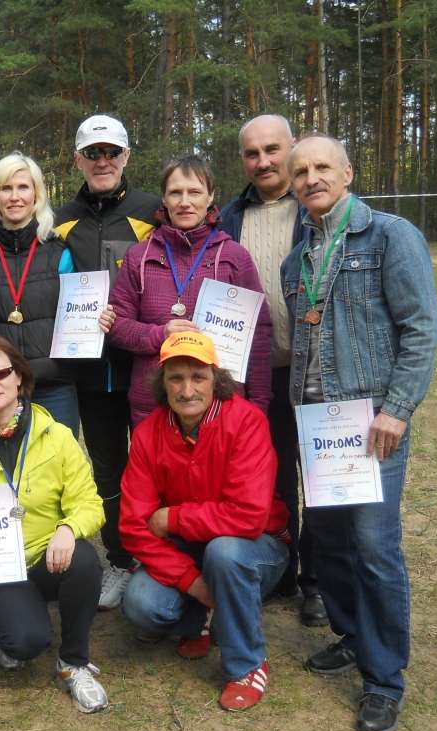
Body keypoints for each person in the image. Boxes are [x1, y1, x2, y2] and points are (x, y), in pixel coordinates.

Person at [283, 135, 437, 731]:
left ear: (347, 172)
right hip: (319, 424)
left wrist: (397, 408)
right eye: (301, 171)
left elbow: (421, 328)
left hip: (372, 421)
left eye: (322, 166)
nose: (310, 177)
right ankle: (351, 635)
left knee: (375, 548)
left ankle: (383, 679)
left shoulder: (389, 237)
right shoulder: (297, 257)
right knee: (330, 541)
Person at [0, 336, 109, 714]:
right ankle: (10, 629)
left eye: (0, 373)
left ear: (19, 378)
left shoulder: (58, 436)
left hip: (47, 556)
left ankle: (73, 664)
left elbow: (89, 504)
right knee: (26, 643)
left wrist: (68, 529)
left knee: (84, 560)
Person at [118, 331, 290, 711]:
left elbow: (248, 516)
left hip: (254, 547)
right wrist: (196, 586)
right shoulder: (149, 434)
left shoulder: (246, 421)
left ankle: (246, 665)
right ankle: (202, 613)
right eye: (175, 378)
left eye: (199, 377)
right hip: (192, 551)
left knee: (225, 552)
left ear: (217, 379)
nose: (187, 389)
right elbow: (134, 525)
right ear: (162, 385)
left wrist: (174, 517)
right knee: (143, 606)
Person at [220, 114, 325, 627]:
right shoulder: (229, 218)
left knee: (323, 480)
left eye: (272, 150)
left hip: (319, 370)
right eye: (252, 153)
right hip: (257, 371)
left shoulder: (317, 210)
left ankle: (318, 583)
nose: (263, 161)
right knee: (276, 478)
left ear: (291, 150)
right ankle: (284, 570)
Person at [54, 115, 160, 610]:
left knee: (157, 466)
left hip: (146, 365)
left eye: (111, 152)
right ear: (77, 159)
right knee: (106, 470)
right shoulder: (58, 217)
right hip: (89, 373)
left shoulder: (152, 210)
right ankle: (119, 560)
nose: (103, 162)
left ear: (126, 157)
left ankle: (160, 559)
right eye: (92, 153)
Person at [106, 154, 272, 426]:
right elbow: (117, 327)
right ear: (164, 199)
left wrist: (259, 405)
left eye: (194, 192)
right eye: (175, 193)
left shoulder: (234, 256)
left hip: (221, 408)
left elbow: (260, 333)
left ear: (210, 198)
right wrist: (161, 333)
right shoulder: (139, 256)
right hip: (154, 408)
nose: (185, 202)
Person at [0, 153, 80, 436]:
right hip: (1, 389)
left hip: (55, 386)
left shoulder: (60, 253)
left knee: (58, 469)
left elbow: (75, 321)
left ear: (36, 194)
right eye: (6, 188)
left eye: (23, 187)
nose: (15, 197)